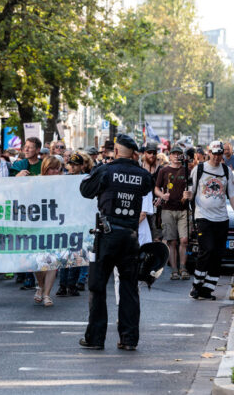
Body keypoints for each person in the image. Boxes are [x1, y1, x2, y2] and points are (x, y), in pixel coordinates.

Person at [78, 134, 153, 351]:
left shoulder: (106, 170)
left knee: (97, 286)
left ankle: (95, 337)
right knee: (129, 289)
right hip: (130, 236)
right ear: (134, 153)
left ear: (116, 151)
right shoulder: (142, 174)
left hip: (107, 235)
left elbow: (85, 190)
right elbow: (147, 187)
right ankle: (128, 339)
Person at [183, 141, 234, 301]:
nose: (216, 157)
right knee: (206, 250)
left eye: (219, 153)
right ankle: (196, 285)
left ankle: (208, 289)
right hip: (203, 216)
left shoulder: (226, 171)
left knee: (217, 254)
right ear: (209, 152)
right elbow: (191, 191)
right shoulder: (199, 169)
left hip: (221, 218)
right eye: (214, 153)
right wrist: (186, 195)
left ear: (223, 153)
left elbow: (232, 194)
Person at [154, 146, 190, 280]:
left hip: (183, 210)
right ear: (170, 156)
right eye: (174, 154)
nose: (176, 156)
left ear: (182, 156)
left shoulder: (187, 170)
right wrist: (162, 196)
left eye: (179, 154)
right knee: (172, 241)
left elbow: (192, 188)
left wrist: (189, 194)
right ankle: (174, 270)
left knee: (184, 240)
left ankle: (183, 267)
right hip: (167, 210)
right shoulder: (164, 170)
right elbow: (156, 188)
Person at [33, 156, 62, 307]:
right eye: (52, 168)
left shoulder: (64, 183)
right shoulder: (36, 182)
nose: (55, 171)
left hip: (56, 224)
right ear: (45, 168)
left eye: (57, 168)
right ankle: (40, 285)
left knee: (53, 260)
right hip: (38, 225)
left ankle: (46, 294)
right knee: (38, 260)